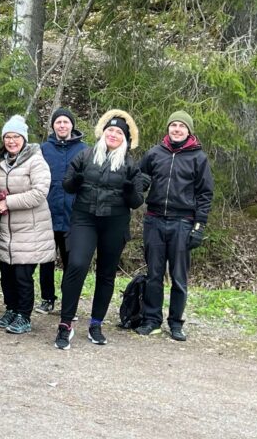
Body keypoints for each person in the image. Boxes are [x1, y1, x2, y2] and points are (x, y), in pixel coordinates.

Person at [55, 110, 146, 349]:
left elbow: (137, 202)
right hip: (84, 218)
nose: (113, 134)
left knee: (106, 274)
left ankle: (96, 323)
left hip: (114, 223)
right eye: (110, 130)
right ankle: (66, 324)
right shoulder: (86, 156)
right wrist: (75, 181)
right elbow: (67, 184)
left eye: (118, 132)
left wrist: (128, 191)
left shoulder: (129, 164)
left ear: (125, 139)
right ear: (103, 133)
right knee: (76, 265)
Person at [136, 111, 214, 341]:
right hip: (155, 220)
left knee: (179, 277)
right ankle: (151, 320)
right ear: (168, 128)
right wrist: (141, 183)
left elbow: (205, 194)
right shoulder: (154, 153)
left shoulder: (198, 158)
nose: (177, 129)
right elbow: (139, 178)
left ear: (189, 131)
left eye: (181, 126)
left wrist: (199, 226)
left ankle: (176, 322)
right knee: (154, 275)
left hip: (183, 223)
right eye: (173, 125)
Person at [0, 115, 54, 334]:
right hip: (7, 228)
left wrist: (8, 202)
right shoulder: (0, 161)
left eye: (16, 137)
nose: (11, 141)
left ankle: (24, 315)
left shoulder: (36, 160)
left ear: (24, 139)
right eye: (8, 137)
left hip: (31, 229)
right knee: (6, 273)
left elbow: (39, 193)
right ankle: (11, 309)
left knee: (23, 276)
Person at [35, 108, 88, 315]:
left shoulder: (85, 150)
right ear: (53, 126)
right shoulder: (43, 149)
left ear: (72, 125)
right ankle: (47, 298)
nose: (62, 125)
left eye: (66, 122)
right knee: (46, 260)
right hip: (47, 213)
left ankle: (69, 302)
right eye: (59, 122)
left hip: (73, 216)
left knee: (71, 262)